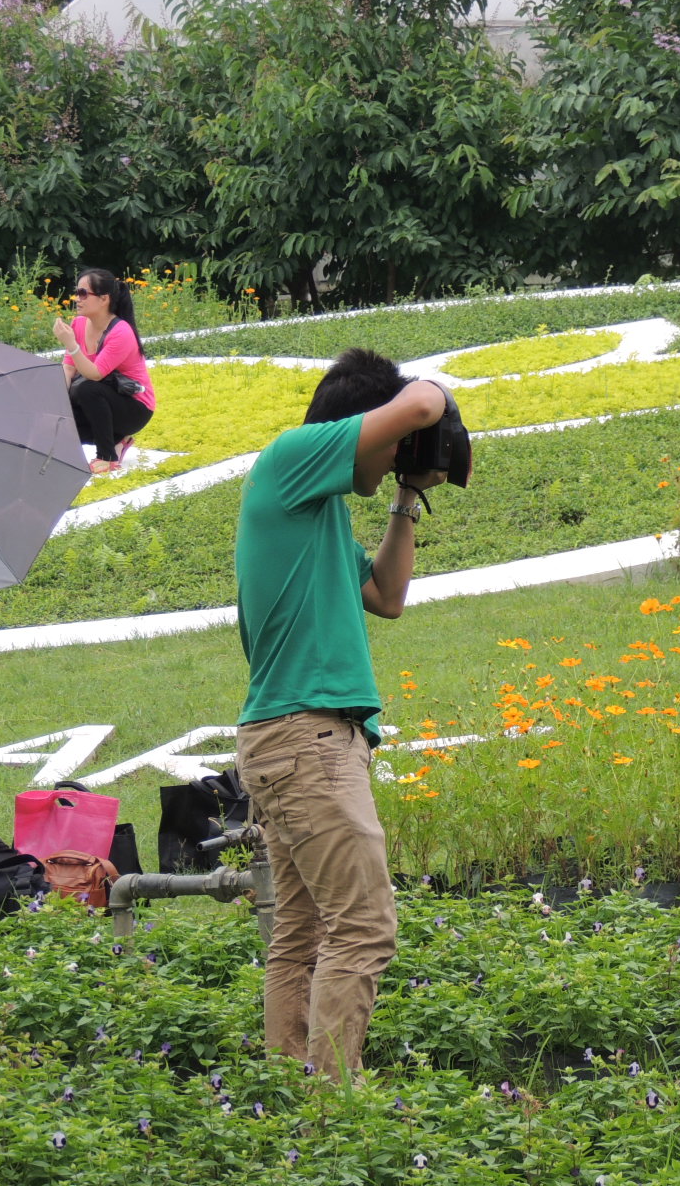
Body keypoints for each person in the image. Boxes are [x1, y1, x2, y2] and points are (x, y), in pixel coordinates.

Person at [233, 348, 450, 1080]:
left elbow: (387, 597)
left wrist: (407, 499)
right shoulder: (291, 458)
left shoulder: (315, 508)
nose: (393, 462)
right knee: (363, 928)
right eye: (391, 452)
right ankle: (335, 1110)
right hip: (307, 737)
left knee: (303, 932)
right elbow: (420, 404)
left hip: (295, 739)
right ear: (360, 425)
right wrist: (430, 404)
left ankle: (289, 1100)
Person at [52, 268, 156, 474]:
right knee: (59, 423)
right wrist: (58, 406)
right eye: (76, 292)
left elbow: (95, 374)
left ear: (103, 299)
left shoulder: (121, 331)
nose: (76, 299)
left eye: (83, 293)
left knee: (87, 389)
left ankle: (107, 457)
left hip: (134, 408)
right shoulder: (79, 323)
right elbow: (69, 367)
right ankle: (118, 439)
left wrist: (71, 344)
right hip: (105, 400)